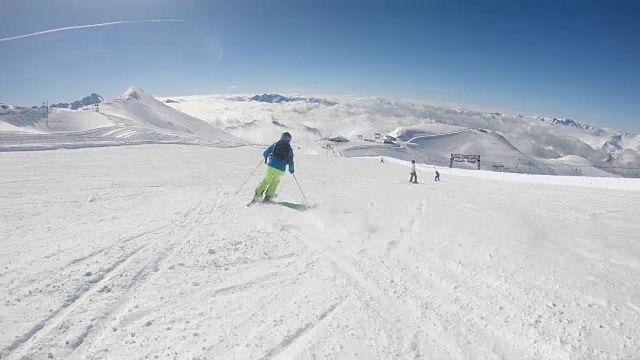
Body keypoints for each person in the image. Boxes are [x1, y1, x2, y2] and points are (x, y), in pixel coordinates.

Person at [253, 132, 295, 202]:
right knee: (275, 181)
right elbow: (291, 160)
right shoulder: (289, 149)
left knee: (266, 179)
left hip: (271, 165)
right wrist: (291, 170)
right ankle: (268, 197)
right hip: (280, 169)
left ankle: (257, 194)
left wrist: (266, 155)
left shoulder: (275, 144)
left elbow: (266, 153)